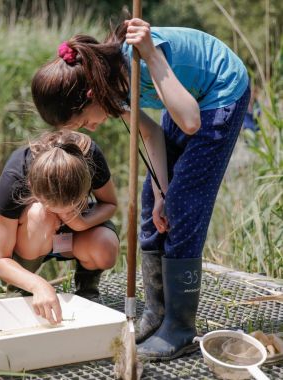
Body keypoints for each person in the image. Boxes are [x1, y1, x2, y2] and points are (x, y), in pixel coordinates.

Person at [31, 17, 250, 360]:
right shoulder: (110, 85)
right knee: (154, 198)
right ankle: (157, 313)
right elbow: (151, 134)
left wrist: (151, 53)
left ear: (89, 96)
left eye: (83, 121)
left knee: (183, 206)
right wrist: (161, 190)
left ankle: (178, 327)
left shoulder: (139, 58)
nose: (91, 128)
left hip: (220, 92)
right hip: (187, 96)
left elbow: (191, 122)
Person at [0, 130, 119, 325]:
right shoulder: (15, 175)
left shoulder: (90, 157)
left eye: (71, 208)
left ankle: (87, 287)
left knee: (105, 247)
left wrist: (80, 221)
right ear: (32, 186)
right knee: (41, 216)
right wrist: (38, 284)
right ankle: (22, 286)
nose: (62, 216)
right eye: (56, 209)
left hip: (71, 236)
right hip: (28, 234)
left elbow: (110, 204)